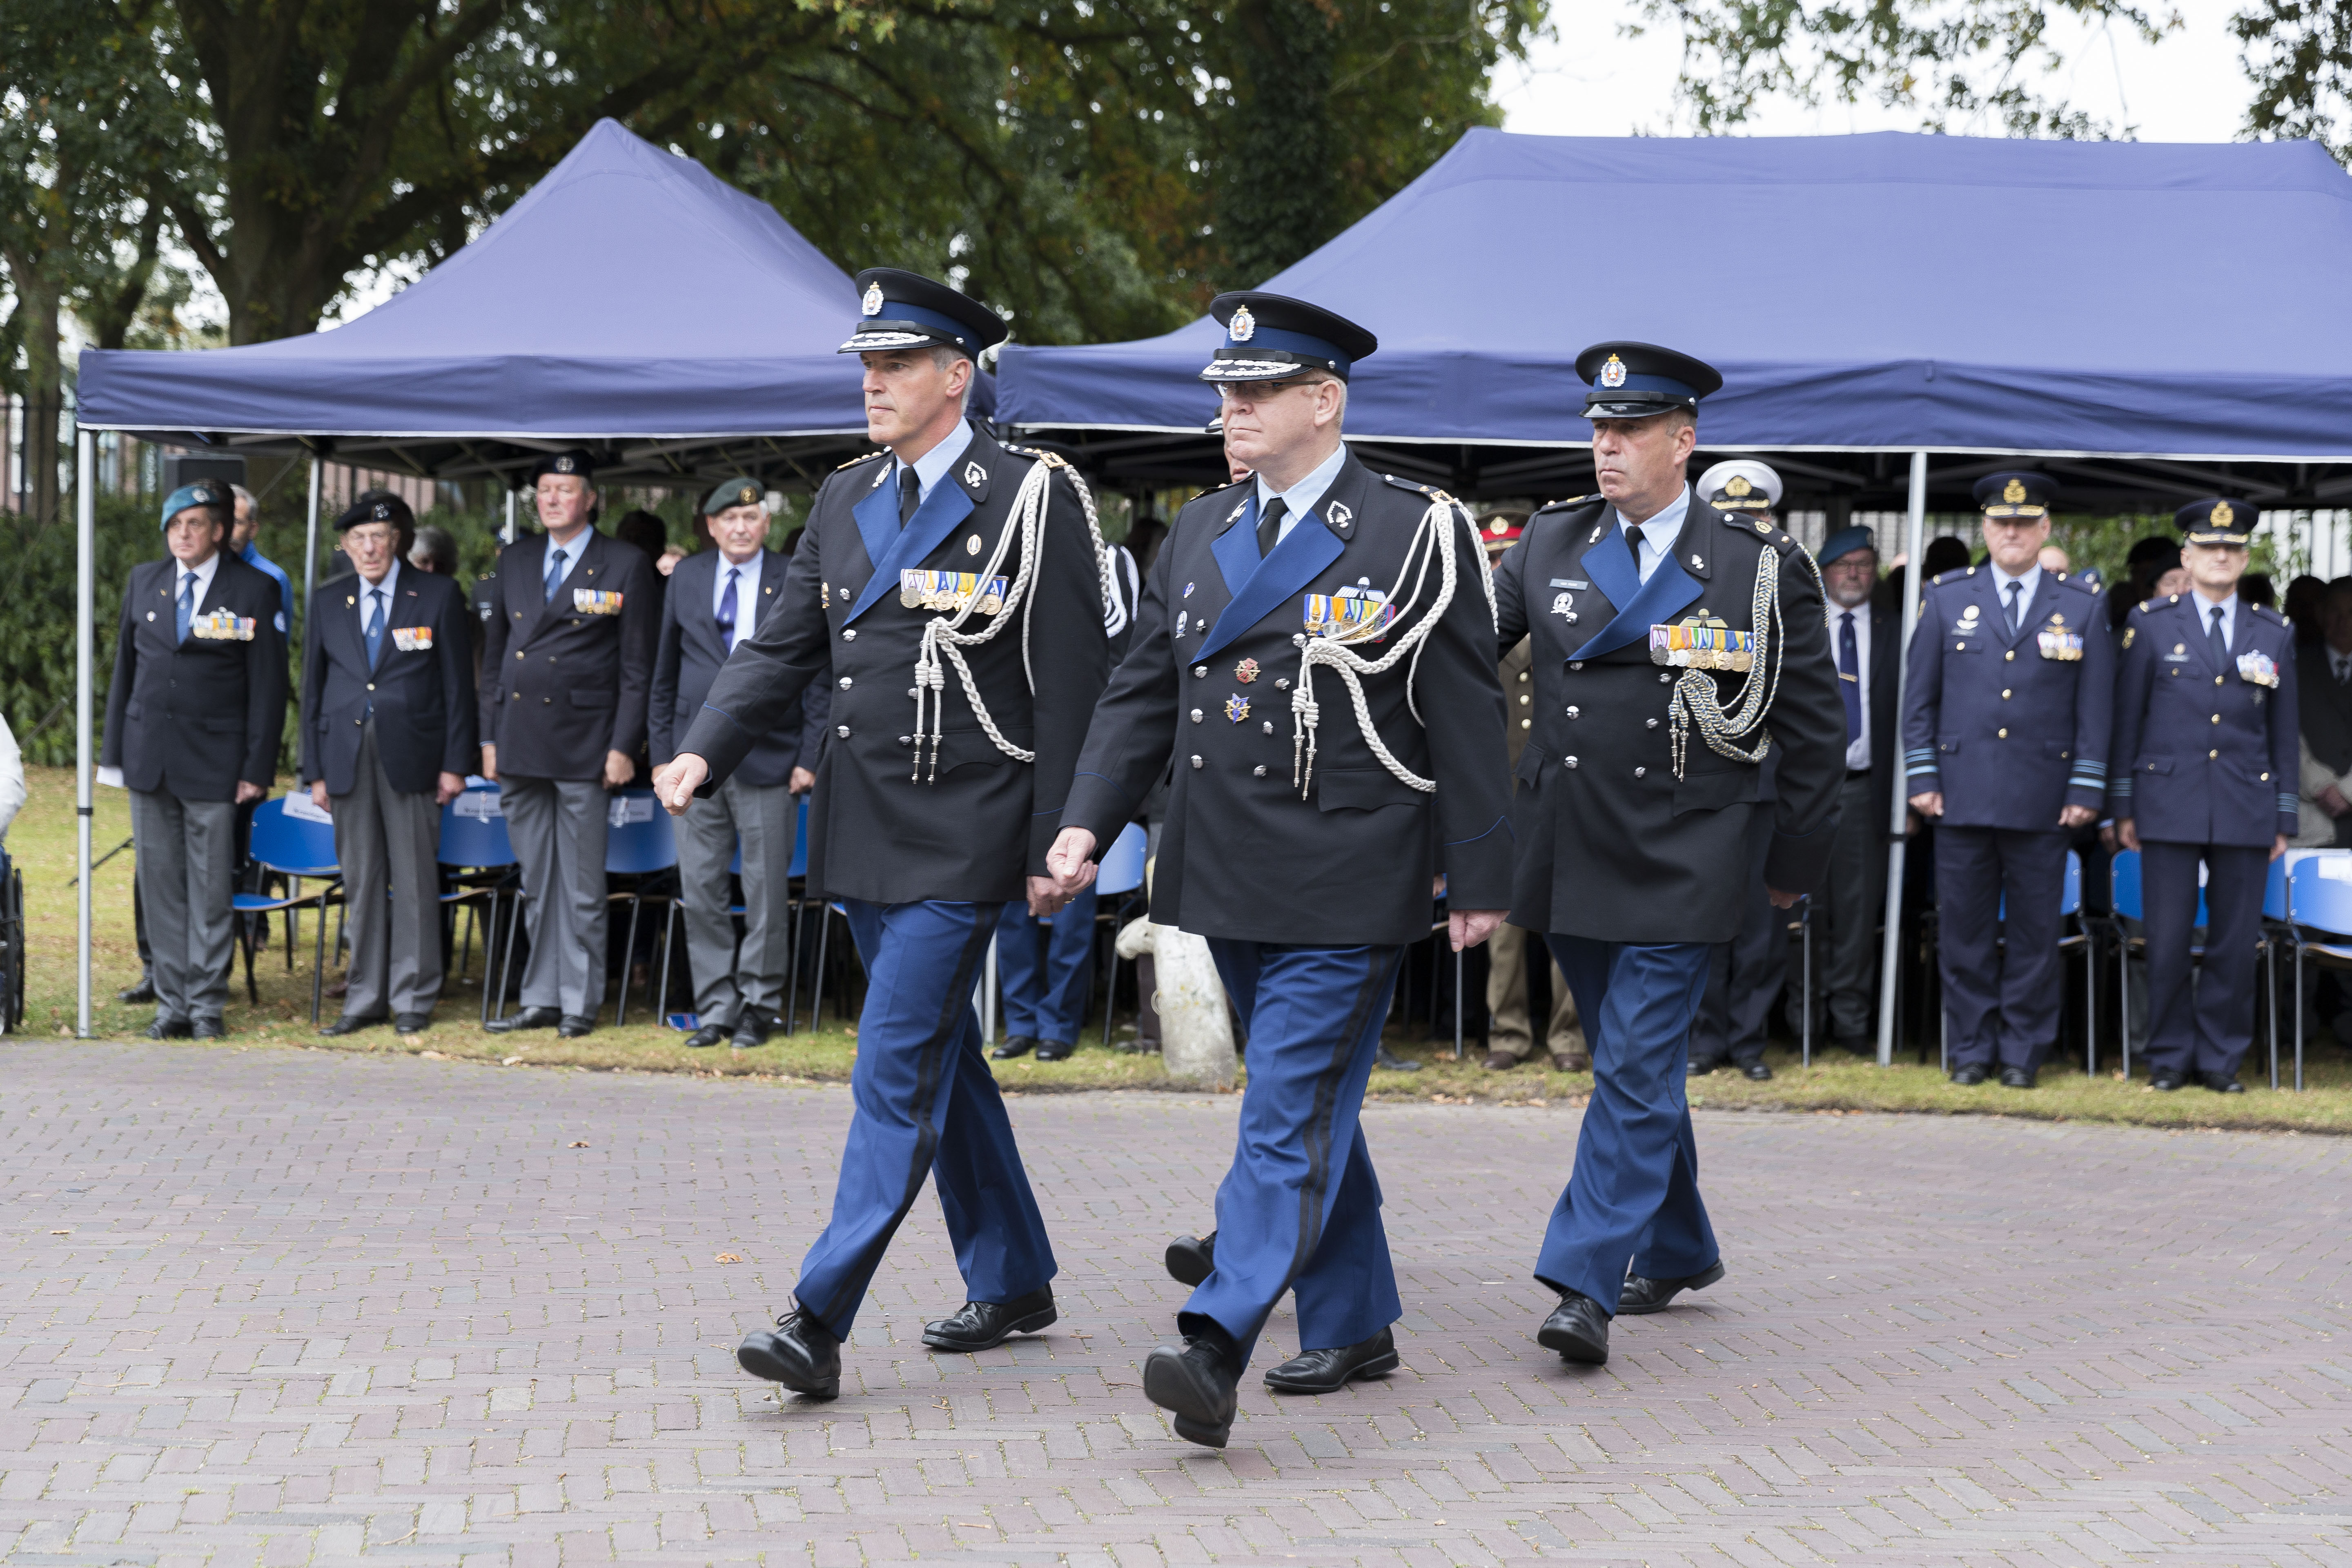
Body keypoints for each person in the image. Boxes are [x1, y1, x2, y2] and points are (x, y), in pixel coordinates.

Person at [1045, 291, 1512, 1446]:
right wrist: (1086, 823)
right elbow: (1143, 693)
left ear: (1325, 401)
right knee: (1313, 1111)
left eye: (1255, 392)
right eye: (1224, 391)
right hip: (1226, 868)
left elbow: (1466, 711)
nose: (1231, 409)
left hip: (1349, 871)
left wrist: (1483, 874)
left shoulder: (1415, 530)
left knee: (1284, 1107)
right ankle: (1355, 1319)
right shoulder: (1202, 529)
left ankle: (1218, 1337)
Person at [654, 269, 1109, 1399]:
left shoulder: (1033, 497)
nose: (874, 381)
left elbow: (1074, 686)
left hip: (969, 826)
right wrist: (704, 747)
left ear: (957, 377)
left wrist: (1065, 840)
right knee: (943, 1058)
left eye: (897, 364)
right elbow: (780, 651)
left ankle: (818, 1315)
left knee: (893, 1064)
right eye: (867, 363)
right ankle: (1013, 1278)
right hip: (863, 826)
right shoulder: (850, 494)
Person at [1490, 343, 1843, 1368]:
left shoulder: (1755, 567)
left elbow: (1814, 731)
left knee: (1637, 1066)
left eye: (1628, 431)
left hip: (1691, 847)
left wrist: (1791, 862)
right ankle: (1679, 1243)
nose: (1605, 448)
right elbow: (1469, 638)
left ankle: (1584, 1277)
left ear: (1680, 442)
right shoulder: (1550, 543)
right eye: (1597, 430)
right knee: (1632, 1071)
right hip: (1570, 845)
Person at [1901, 472, 2112, 1089]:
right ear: (1985, 530)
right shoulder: (1944, 598)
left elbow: (2096, 711)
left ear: (2045, 527)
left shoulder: (2082, 603)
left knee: (2034, 936)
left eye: (2025, 523)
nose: (2013, 532)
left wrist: (2085, 790)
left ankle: (2022, 1051)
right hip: (1960, 793)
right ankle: (1970, 1048)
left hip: (2045, 799)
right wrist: (1922, 777)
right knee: (1963, 934)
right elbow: (1920, 703)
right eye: (2001, 522)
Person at [2110, 501, 2296, 1093]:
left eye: (2233, 548)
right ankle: (2167, 1057)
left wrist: (2284, 814)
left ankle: (2219, 1060)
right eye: (2210, 547)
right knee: (2165, 941)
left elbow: (2282, 733)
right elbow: (2127, 722)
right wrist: (2123, 805)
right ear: (2187, 557)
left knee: (2234, 945)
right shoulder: (2152, 623)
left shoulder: (2274, 631)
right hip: (2167, 801)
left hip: (2245, 804)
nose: (2222, 556)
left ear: (2243, 560)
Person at [478, 450, 658, 1039]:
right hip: (520, 740)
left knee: (581, 885)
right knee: (536, 879)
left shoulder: (625, 563)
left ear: (590, 499)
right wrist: (488, 734)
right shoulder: (516, 558)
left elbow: (638, 669)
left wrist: (623, 745)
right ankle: (541, 996)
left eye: (566, 489)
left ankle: (579, 1001)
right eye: (546, 490)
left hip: (586, 743)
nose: (553, 499)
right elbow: (495, 657)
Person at [102, 480, 290, 1039]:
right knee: (160, 884)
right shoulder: (145, 581)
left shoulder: (254, 588)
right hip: (149, 759)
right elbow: (124, 674)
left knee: (210, 887)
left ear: (219, 532)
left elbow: (268, 689)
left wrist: (257, 769)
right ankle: (172, 1004)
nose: (184, 535)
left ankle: (207, 1004)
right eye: (175, 526)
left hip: (216, 763)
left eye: (196, 525)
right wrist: (114, 756)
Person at [651, 477, 825, 1050]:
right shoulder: (687, 578)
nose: (741, 528)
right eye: (729, 519)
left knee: (765, 890)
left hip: (769, 757)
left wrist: (809, 755)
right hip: (690, 761)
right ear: (710, 526)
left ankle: (760, 1003)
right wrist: (662, 758)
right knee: (700, 887)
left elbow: (817, 674)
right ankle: (717, 1005)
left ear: (766, 524)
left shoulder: (791, 576)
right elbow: (663, 677)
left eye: (750, 519)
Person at [299, 492, 477, 1035]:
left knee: (416, 880)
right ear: (346, 547)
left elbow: (457, 688)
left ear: (396, 541)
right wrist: (315, 772)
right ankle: (365, 997)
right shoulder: (329, 602)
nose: (371, 547)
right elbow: (312, 691)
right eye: (359, 539)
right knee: (362, 879)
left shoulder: (438, 595)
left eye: (379, 537)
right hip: (346, 759)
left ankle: (413, 997)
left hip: (416, 757)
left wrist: (455, 764)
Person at [1682, 460, 1798, 1081]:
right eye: (1732, 519)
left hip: (1767, 780)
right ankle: (1702, 1039)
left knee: (1760, 923)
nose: (1745, 530)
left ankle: (1749, 1042)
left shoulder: (1792, 592)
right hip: (1700, 780)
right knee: (1701, 919)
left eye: (1755, 519)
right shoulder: (1686, 583)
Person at [1480, 511, 1586, 1074]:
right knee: (1503, 926)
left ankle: (1568, 1037)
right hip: (1503, 796)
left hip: (1557, 792)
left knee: (1565, 916)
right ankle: (1509, 1032)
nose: (1501, 570)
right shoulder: (1477, 630)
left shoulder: (1561, 623)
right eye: (1492, 559)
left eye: (1508, 559)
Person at [1807, 519, 1900, 1054]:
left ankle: (1850, 1023)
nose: (1856, 575)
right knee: (1806, 910)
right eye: (1845, 566)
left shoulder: (1896, 627)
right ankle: (1805, 1022)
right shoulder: (1802, 624)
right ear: (1825, 572)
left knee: (1859, 914)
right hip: (1807, 795)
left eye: (1865, 566)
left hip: (1867, 790)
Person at [2298, 579, 2352, 849]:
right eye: (2335, 611)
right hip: (2312, 825)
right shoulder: (2292, 666)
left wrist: (2348, 791)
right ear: (2320, 614)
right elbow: (2281, 736)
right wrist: (2321, 786)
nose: (2344, 621)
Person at [229, 483, 295, 628]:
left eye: (236, 522)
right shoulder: (202, 569)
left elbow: (278, 643)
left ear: (252, 530)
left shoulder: (273, 578)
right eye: (222, 521)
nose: (228, 530)